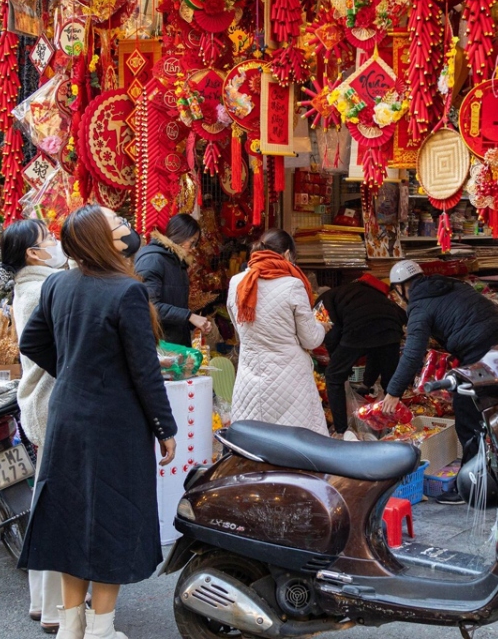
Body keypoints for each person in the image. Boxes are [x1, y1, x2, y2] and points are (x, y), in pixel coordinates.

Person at [17, 205, 177, 639]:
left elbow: (31, 341)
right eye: (117, 224)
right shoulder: (127, 290)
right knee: (113, 519)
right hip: (115, 423)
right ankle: (101, 629)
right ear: (99, 240)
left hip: (67, 415)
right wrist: (166, 428)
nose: (127, 228)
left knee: (72, 518)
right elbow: (144, 371)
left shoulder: (57, 284)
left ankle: (72, 626)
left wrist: (72, 369)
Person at [384, 260, 498, 504]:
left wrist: (393, 391)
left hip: (478, 351)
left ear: (402, 288)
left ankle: (473, 488)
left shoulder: (419, 306)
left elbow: (412, 353)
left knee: (468, 417)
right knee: (496, 414)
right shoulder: (449, 285)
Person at [0, 219, 67, 634]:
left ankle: (47, 601)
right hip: (50, 401)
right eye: (48, 239)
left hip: (41, 402)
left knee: (50, 499)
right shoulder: (44, 289)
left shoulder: (36, 286)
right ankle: (55, 605)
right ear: (33, 254)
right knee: (58, 504)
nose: (55, 243)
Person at [227, 229, 327, 434]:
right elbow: (310, 340)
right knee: (296, 448)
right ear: (288, 254)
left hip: (249, 378)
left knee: (254, 446)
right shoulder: (292, 285)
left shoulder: (236, 282)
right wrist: (322, 327)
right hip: (290, 383)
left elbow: (240, 330)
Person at [315, 273, 406, 435]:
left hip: (360, 326)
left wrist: (338, 362)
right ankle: (398, 428)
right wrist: (367, 383)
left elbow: (331, 333)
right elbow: (399, 314)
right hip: (391, 327)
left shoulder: (321, 301)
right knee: (391, 385)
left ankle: (342, 431)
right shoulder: (364, 292)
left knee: (333, 376)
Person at [134, 214, 210, 346]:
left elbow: (174, 305)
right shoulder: (153, 260)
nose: (193, 248)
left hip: (174, 344)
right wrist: (189, 316)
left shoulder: (177, 263)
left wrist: (192, 323)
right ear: (180, 235)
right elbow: (150, 306)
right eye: (192, 242)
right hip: (158, 345)